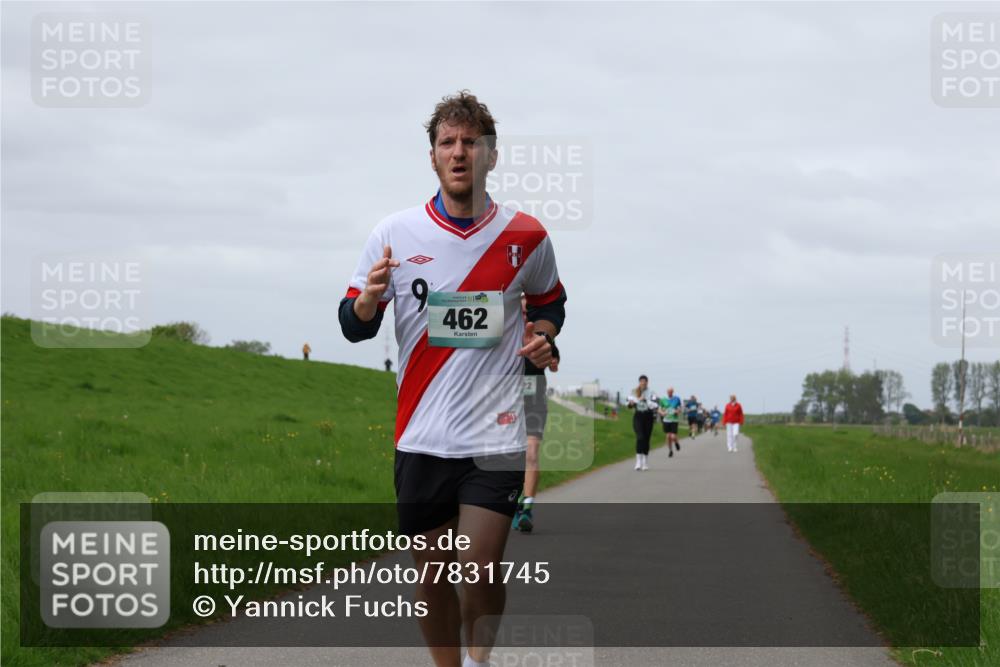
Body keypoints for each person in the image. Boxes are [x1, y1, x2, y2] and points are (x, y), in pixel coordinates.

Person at [339, 91, 566, 667]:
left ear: (491, 155)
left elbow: (550, 303)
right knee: (433, 580)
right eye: (448, 143)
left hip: (495, 439)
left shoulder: (528, 237)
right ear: (433, 157)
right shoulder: (394, 233)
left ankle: (478, 660)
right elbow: (352, 326)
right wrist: (367, 300)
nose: (459, 152)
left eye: (471, 143)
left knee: (480, 565)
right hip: (421, 437)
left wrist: (543, 333)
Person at [514, 296, 560, 533]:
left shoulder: (540, 335)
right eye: (519, 309)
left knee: (531, 453)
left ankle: (527, 507)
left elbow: (553, 358)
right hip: (504, 402)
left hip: (533, 401)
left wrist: (550, 359)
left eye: (526, 310)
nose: (523, 314)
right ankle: (510, 504)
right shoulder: (500, 333)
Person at [627, 375, 657, 470]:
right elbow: (628, 404)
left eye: (644, 381)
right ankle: (638, 461)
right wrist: (631, 404)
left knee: (646, 439)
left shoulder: (651, 392)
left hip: (648, 416)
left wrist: (646, 400)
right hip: (638, 416)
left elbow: (655, 405)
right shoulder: (634, 391)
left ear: (647, 382)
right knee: (640, 437)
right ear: (639, 382)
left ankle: (645, 462)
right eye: (641, 381)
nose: (643, 383)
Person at [658, 387, 682, 457]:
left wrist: (677, 411)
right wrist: (662, 413)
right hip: (666, 420)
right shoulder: (663, 400)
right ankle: (670, 450)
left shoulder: (677, 399)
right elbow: (659, 409)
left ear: (673, 392)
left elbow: (680, 408)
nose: (669, 393)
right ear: (667, 392)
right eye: (668, 392)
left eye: (671, 391)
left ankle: (676, 443)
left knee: (673, 436)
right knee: (668, 436)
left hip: (674, 420)